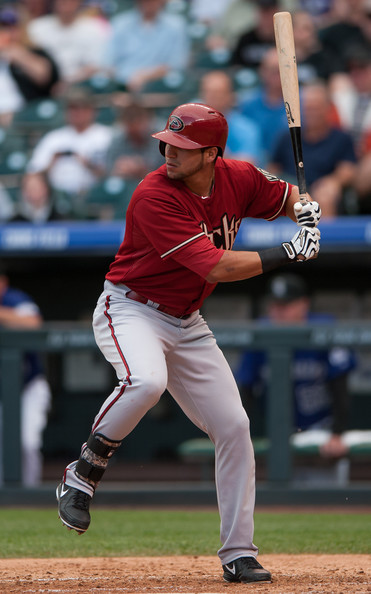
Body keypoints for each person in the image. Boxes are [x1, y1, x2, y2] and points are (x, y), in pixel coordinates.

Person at [56, 102, 321, 584]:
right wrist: (289, 249)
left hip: (187, 319)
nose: (168, 152)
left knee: (235, 427)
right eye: (167, 142)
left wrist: (302, 207)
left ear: (212, 155)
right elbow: (217, 266)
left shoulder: (238, 176)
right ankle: (83, 473)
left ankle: (239, 552)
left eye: (182, 147)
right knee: (146, 381)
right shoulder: (153, 194)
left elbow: (285, 198)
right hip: (131, 307)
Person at [235, 273, 356, 459]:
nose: (278, 312)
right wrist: (237, 437)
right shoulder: (260, 334)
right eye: (274, 305)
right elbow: (245, 392)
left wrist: (337, 433)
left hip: (322, 431)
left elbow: (341, 388)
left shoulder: (325, 329)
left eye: (285, 305)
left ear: (304, 304)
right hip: (278, 433)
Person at [0, 253, 51, 487]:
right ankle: (2, 509)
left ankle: (29, 501)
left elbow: (32, 324)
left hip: (26, 388)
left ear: (2, 283)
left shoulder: (14, 299)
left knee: (26, 443)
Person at [268, 81, 357, 217]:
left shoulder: (341, 138)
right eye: (308, 108)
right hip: (292, 190)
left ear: (328, 109)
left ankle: (323, 238)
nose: (311, 113)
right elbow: (273, 168)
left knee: (325, 196)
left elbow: (348, 169)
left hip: (323, 191)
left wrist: (334, 182)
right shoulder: (287, 137)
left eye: (316, 108)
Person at [0, 5, 59, 127]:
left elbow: (45, 76)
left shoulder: (34, 51)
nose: (7, 31)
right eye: (3, 26)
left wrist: (18, 54)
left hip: (19, 113)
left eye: (12, 26)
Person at [26, 86, 113, 196]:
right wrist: (51, 164)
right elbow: (33, 174)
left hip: (95, 194)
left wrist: (89, 165)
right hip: (56, 198)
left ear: (91, 110)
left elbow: (114, 173)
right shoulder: (53, 138)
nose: (76, 112)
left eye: (81, 107)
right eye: (72, 107)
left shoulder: (106, 136)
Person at [101, 0, 190, 92]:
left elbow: (177, 63)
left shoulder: (176, 25)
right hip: (123, 84)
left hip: (160, 85)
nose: (148, 4)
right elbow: (109, 62)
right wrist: (128, 79)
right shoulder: (120, 23)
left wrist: (145, 76)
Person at [27, 0, 108, 91]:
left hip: (82, 86)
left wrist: (68, 82)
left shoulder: (94, 28)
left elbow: (96, 65)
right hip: (44, 86)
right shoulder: (36, 27)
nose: (66, 5)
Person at [197, 70, 263, 164]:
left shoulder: (246, 128)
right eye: (208, 92)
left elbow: (248, 164)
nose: (212, 97)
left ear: (230, 96)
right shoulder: (192, 125)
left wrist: (217, 151)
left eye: (218, 93)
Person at [240, 47, 288, 166]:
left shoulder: (302, 103)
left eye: (282, 70)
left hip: (290, 167)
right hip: (256, 166)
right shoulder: (248, 103)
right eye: (273, 70)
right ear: (263, 71)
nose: (277, 76)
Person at [108, 102, 165, 181]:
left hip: (158, 181)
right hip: (126, 182)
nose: (133, 132)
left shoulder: (160, 134)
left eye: (137, 128)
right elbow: (110, 167)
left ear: (146, 120)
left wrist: (137, 166)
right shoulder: (119, 134)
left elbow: (157, 167)